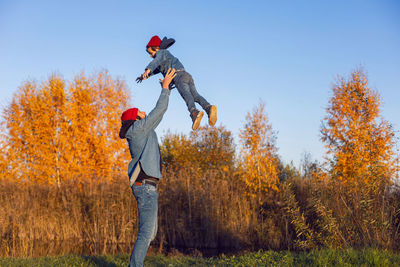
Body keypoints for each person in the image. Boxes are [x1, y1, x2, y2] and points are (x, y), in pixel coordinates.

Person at [120, 68, 176, 267]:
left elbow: (158, 115)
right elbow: (157, 112)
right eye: (141, 112)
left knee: (150, 233)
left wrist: (167, 90)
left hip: (149, 186)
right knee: (146, 234)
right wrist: (165, 89)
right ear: (135, 118)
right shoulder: (137, 129)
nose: (144, 113)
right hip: (145, 187)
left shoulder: (140, 129)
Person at [136, 35, 217, 130]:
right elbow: (156, 69)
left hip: (178, 77)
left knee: (186, 94)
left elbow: (155, 62)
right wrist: (144, 75)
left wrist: (148, 69)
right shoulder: (165, 57)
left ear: (156, 48)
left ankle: (194, 112)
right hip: (186, 75)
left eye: (151, 53)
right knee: (195, 95)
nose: (151, 56)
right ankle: (208, 108)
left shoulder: (161, 53)